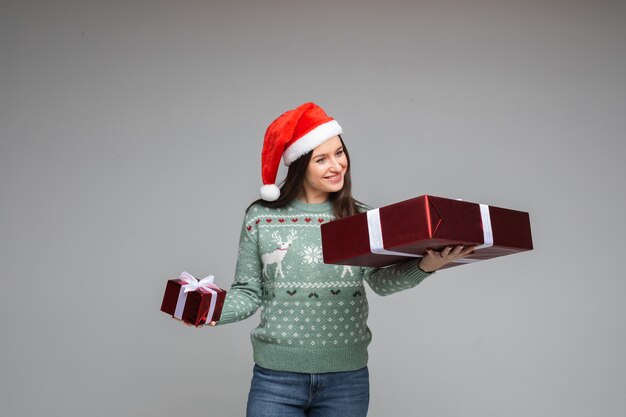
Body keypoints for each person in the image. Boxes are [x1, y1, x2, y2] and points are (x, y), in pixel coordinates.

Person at [207, 102, 474, 417]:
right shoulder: (262, 217)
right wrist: (204, 310)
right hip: (276, 378)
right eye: (321, 159)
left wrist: (426, 266)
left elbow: (380, 283)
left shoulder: (358, 218)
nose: (336, 165)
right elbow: (248, 292)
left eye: (339, 153)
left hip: (346, 380)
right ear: (299, 165)